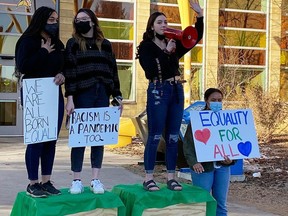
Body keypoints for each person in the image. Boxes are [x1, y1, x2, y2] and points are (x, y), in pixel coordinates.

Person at [136, 0, 203, 191]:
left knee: (173, 136)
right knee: (156, 135)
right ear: (151, 26)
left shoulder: (172, 43)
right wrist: (166, 53)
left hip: (176, 90)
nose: (164, 25)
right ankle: (149, 178)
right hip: (158, 90)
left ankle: (171, 177)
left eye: (165, 22)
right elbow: (151, 70)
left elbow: (194, 38)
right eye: (159, 22)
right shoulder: (146, 47)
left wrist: (200, 15)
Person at [63, 8, 122, 194]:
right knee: (80, 137)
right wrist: (69, 98)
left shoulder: (105, 44)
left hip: (102, 92)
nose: (81, 21)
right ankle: (76, 179)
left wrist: (117, 96)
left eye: (85, 18)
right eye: (78, 19)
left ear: (93, 21)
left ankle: (96, 178)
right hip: (82, 93)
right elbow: (70, 72)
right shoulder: (73, 43)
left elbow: (113, 70)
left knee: (99, 137)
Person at [15, 6, 65, 198]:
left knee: (50, 140)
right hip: (35, 94)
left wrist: (63, 74)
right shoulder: (28, 41)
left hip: (53, 94)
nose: (55, 23)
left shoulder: (57, 43)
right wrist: (43, 51)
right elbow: (23, 66)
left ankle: (46, 181)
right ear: (41, 20)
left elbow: (65, 65)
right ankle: (32, 183)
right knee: (36, 139)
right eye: (51, 20)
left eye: (56, 20)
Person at [183, 88, 236, 216]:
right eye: (213, 100)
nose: (217, 102)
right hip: (202, 168)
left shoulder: (227, 120)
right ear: (206, 101)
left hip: (223, 167)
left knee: (221, 204)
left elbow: (233, 143)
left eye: (219, 100)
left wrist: (231, 160)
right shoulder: (197, 120)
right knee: (202, 203)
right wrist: (194, 162)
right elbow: (188, 144)